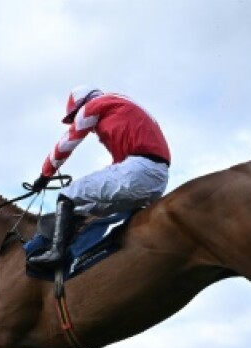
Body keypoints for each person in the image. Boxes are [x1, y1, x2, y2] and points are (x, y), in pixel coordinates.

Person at [28, 87, 172, 268]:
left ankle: (56, 253)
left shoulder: (94, 105)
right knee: (87, 209)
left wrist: (44, 176)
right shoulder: (121, 106)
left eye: (74, 116)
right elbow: (119, 166)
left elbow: (67, 142)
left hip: (139, 171)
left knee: (67, 195)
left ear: (83, 104)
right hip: (157, 179)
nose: (75, 121)